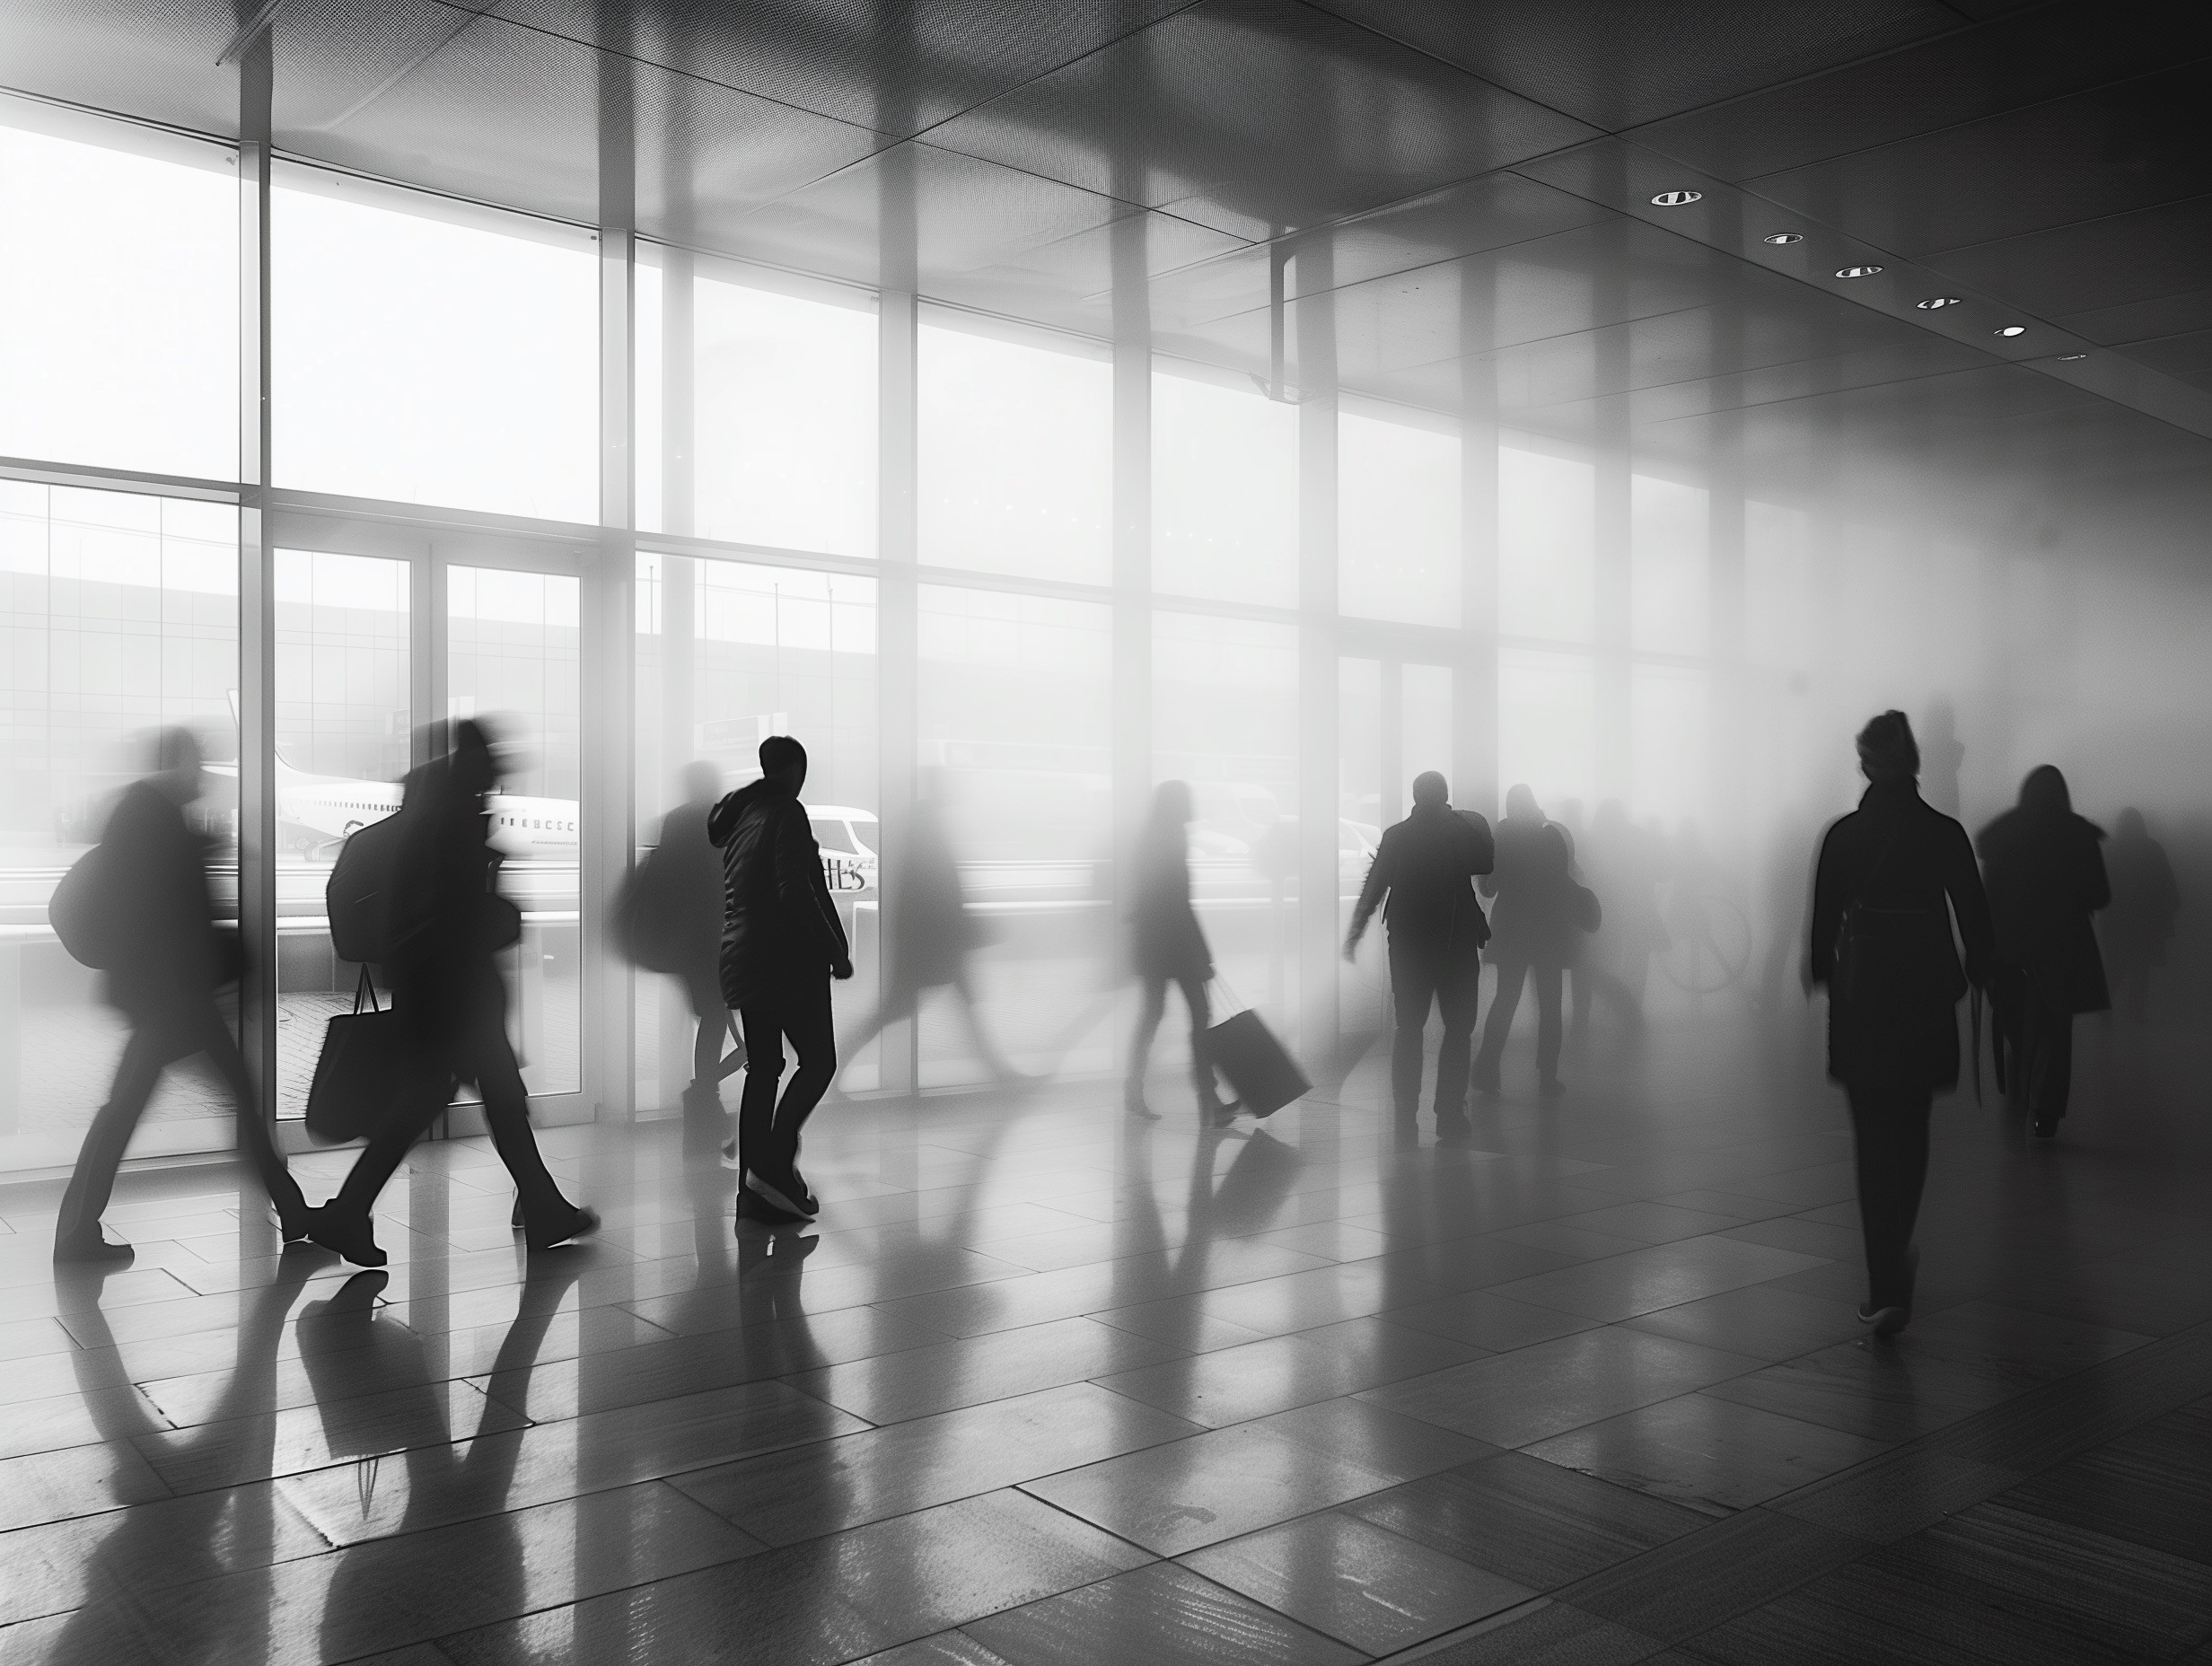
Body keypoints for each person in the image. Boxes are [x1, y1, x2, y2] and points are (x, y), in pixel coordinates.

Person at [307, 721, 598, 1266]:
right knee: (471, 1104)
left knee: (469, 1103)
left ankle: (540, 1205)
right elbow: (465, 915)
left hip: (438, 990)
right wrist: (506, 915)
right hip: (458, 994)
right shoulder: (455, 822)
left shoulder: (427, 821)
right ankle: (537, 1207)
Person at [54, 728, 312, 1262]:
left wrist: (199, 844)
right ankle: (293, 1213)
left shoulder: (147, 817)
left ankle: (293, 1212)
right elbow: (172, 912)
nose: (202, 774)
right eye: (195, 763)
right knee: (209, 1101)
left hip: (165, 996)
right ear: (172, 765)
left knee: (139, 1107)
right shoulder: (155, 821)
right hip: (172, 998)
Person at [1808, 711, 1992, 1336]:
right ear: (1915, 762)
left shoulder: (1844, 835)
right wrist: (1989, 973)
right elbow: (1974, 914)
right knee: (1910, 1132)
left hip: (1863, 1002)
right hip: (1923, 998)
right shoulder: (1944, 832)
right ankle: (1897, 1259)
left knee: (1870, 1139)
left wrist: (1824, 974)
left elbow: (1822, 923)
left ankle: (1883, 1279)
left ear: (1864, 764)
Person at [711, 734, 853, 1222]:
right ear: (794, 770)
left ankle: (751, 1191)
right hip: (785, 959)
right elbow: (798, 891)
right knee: (817, 1062)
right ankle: (771, 1165)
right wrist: (834, 950)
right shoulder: (787, 813)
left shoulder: (743, 818)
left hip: (743, 957)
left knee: (765, 1069)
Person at [838, 768, 1025, 1091]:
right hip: (931, 944)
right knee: (898, 1011)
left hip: (933, 942)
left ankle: (1001, 1074)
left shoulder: (922, 825)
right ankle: (833, 1070)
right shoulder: (926, 828)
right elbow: (934, 891)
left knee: (959, 1009)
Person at [1343, 771, 1494, 1137]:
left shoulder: (1397, 835)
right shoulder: (1458, 831)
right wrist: (1459, 819)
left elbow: (1375, 883)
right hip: (1455, 944)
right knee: (1459, 1030)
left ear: (1414, 796)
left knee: (1408, 1028)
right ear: (1444, 797)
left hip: (1409, 945)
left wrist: (1356, 931)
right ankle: (1449, 1113)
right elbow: (1485, 863)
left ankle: (1405, 1114)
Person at [1978, 767, 2110, 1136]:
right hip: (2062, 948)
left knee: (2016, 1027)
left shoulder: (2003, 835)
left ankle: (2018, 1089)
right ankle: (2046, 1111)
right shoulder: (2079, 835)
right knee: (2055, 1029)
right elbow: (2101, 894)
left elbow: (1987, 900)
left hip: (2009, 949)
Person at [642, 762, 745, 1136]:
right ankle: (703, 1095)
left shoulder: (674, 821)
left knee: (712, 1015)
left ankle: (702, 1095)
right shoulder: (716, 821)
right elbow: (724, 880)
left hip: (681, 938)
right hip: (708, 936)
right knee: (717, 1016)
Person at [1126, 781, 1237, 1125]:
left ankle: (1135, 1091)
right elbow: (1178, 903)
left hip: (1153, 945)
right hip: (1175, 944)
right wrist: (1201, 952)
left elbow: (1151, 899)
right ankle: (1208, 1098)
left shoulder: (1150, 838)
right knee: (1199, 1016)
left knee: (1152, 1015)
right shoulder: (1172, 839)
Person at [1472, 785, 1588, 1099]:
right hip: (1549, 931)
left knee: (1505, 999)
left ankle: (1487, 1070)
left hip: (1512, 931)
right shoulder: (1552, 837)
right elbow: (1565, 880)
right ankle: (1548, 1075)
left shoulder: (1503, 840)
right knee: (1550, 1004)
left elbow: (1488, 889)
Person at [2100, 807, 2179, 1022]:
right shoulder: (2152, 849)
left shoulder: (2111, 850)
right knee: (2139, 972)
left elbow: (2099, 888)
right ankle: (2134, 1018)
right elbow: (2168, 887)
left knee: (2117, 970)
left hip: (2118, 924)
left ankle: (2107, 1016)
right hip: (2145, 925)